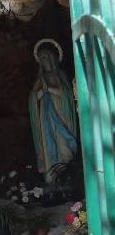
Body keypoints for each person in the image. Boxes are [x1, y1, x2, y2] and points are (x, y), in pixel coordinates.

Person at [29, 38, 77, 181]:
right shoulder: (40, 78)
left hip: (60, 113)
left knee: (63, 142)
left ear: (52, 59)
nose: (43, 61)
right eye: (41, 59)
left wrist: (49, 89)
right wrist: (39, 93)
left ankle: (68, 171)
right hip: (46, 117)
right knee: (48, 142)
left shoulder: (60, 75)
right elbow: (33, 98)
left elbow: (67, 94)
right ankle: (52, 173)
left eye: (45, 58)